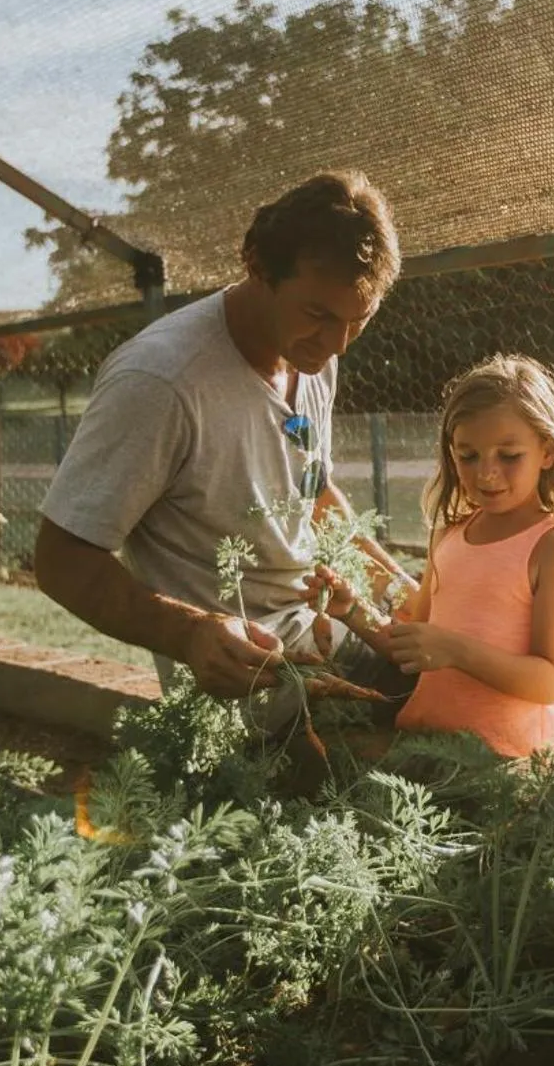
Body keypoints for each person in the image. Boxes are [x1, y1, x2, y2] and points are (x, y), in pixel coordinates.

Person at [34, 170, 411, 701]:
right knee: (424, 761)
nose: (339, 345)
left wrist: (405, 592)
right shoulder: (160, 382)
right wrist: (190, 634)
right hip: (252, 682)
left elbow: (312, 489)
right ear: (256, 265)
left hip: (332, 630)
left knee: (480, 693)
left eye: (360, 318)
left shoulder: (313, 352)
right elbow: (59, 559)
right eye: (318, 315)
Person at [312, 354, 554, 759]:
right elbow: (415, 644)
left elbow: (548, 681)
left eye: (508, 456)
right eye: (468, 456)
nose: (486, 473)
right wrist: (353, 611)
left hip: (507, 764)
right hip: (428, 747)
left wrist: (455, 649)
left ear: (548, 451)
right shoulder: (449, 536)